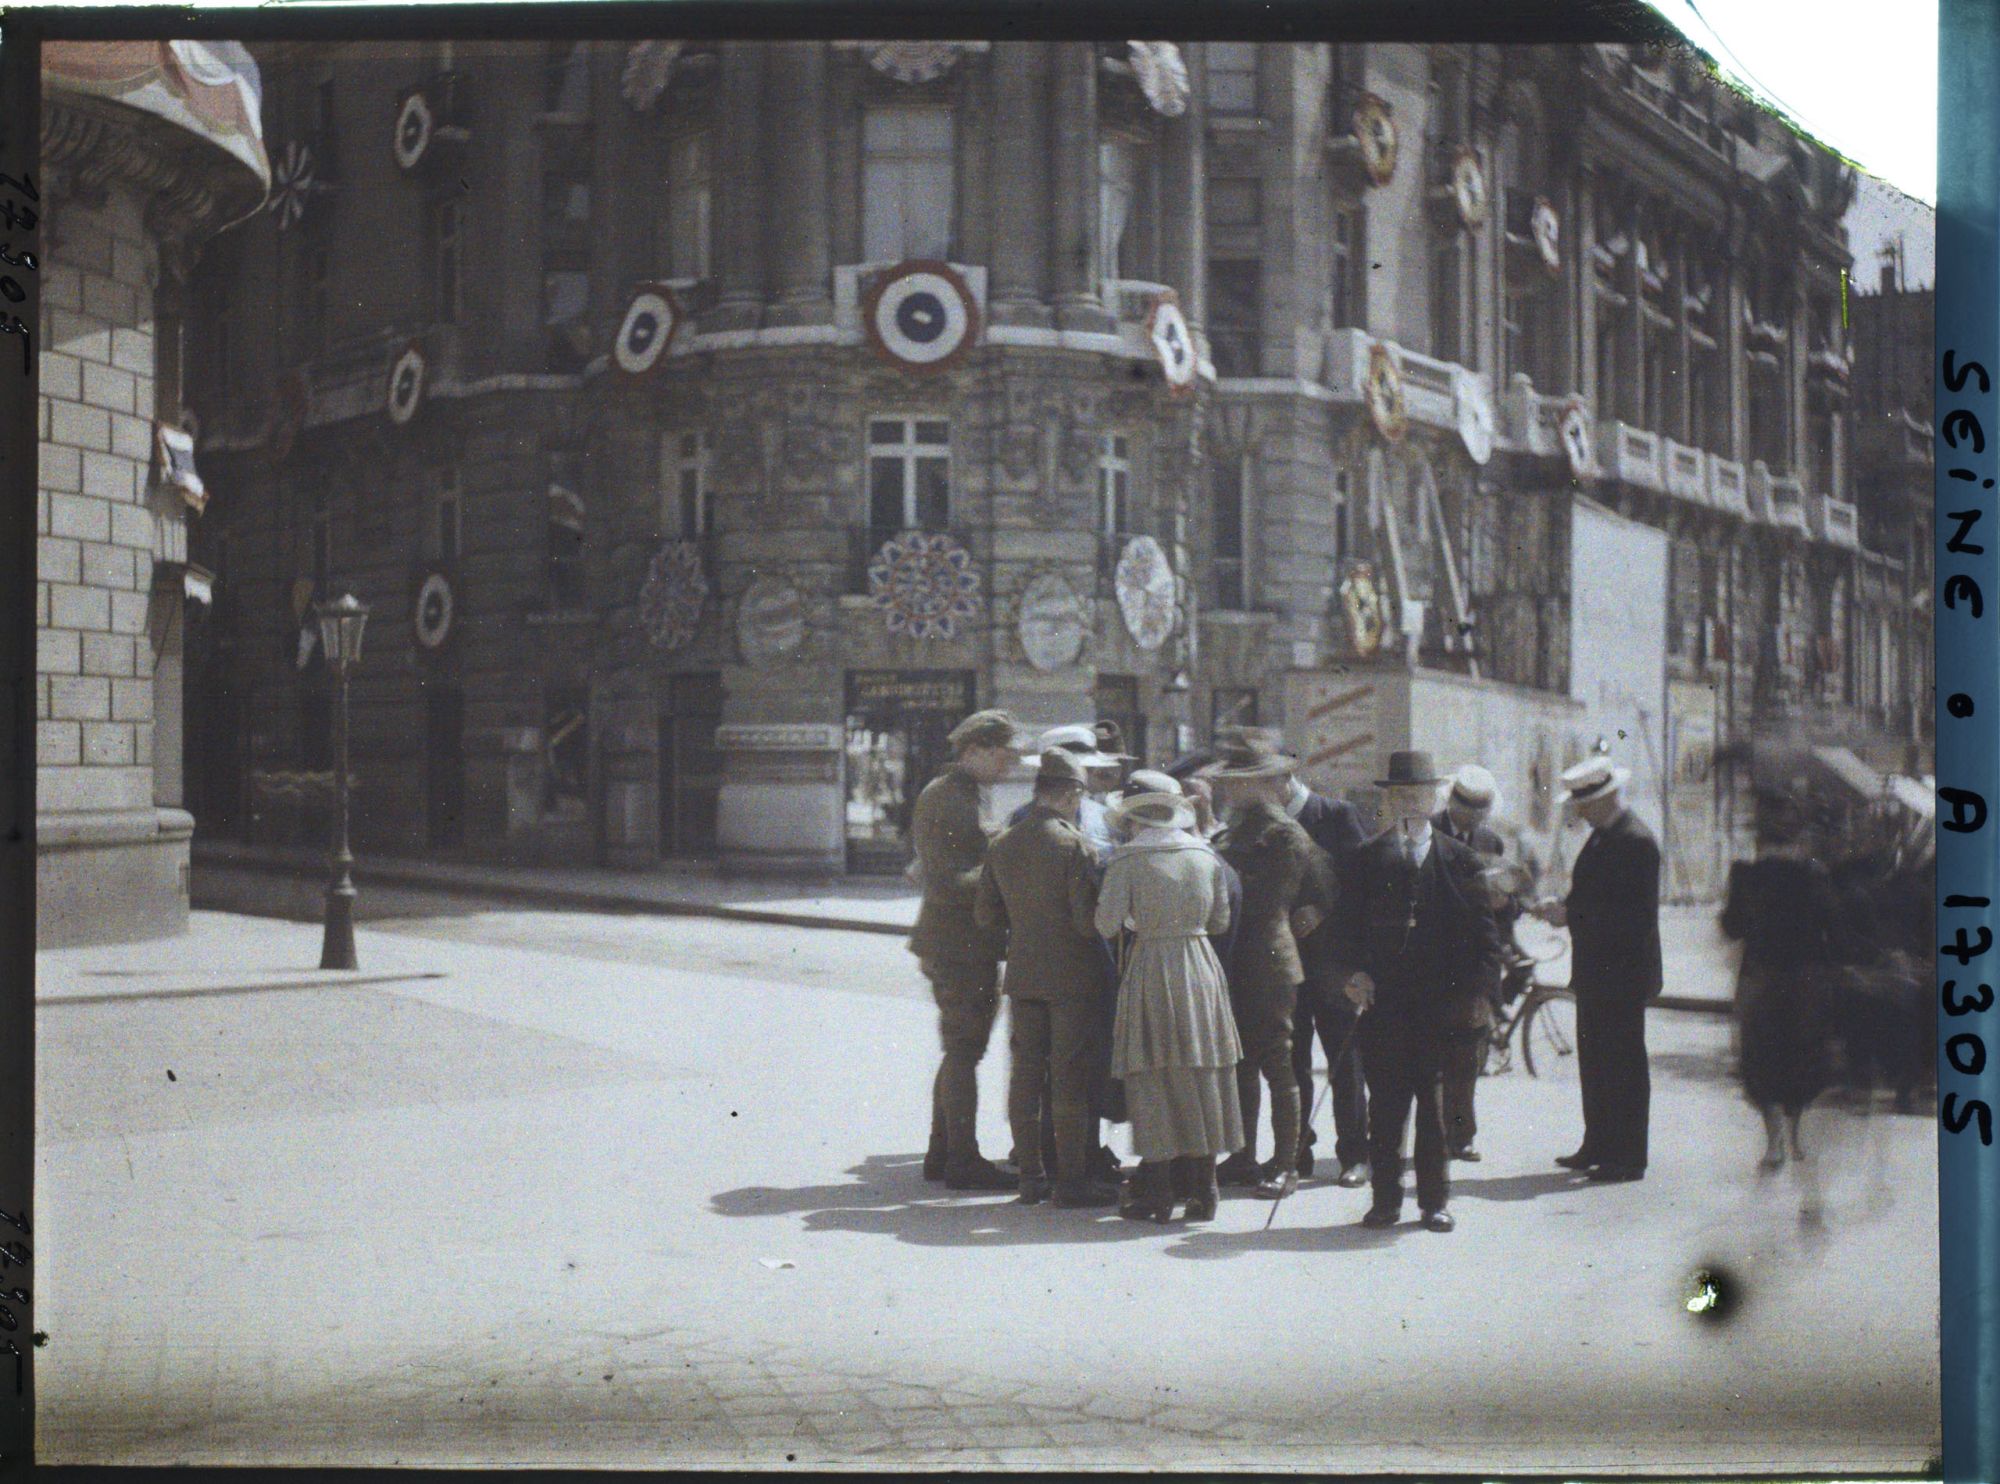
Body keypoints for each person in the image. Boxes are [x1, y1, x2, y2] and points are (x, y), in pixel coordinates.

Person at [1328, 751, 1502, 1232]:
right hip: (1384, 1008)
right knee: (1385, 1108)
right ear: (1388, 800)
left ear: (1434, 799)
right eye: (1399, 795)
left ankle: (1434, 1202)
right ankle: (1385, 1201)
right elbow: (1341, 934)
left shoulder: (1459, 859)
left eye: (1419, 794)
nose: (1409, 803)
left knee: (1434, 1108)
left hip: (1440, 1007)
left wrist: (1478, 995)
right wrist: (1351, 975)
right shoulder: (1365, 859)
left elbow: (1486, 939)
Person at [975, 750, 1121, 1209]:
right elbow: (1085, 923)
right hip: (1072, 980)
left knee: (1025, 1075)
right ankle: (1072, 1182)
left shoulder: (1003, 842)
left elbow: (985, 915)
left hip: (1023, 977)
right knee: (1068, 1076)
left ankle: (1031, 1178)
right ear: (1070, 793)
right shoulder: (1073, 845)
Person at [1094, 779, 1243, 1223]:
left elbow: (1105, 924)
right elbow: (1220, 920)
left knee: (1153, 1072)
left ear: (1135, 817)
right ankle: (1204, 1189)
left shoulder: (1128, 858)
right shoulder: (1205, 855)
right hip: (1199, 967)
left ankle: (1157, 1192)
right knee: (1202, 1073)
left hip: (1153, 964)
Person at [1208, 730, 1332, 1201]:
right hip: (1241, 954)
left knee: (1277, 1063)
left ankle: (1286, 1164)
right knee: (1240, 1063)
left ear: (1260, 783)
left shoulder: (1283, 833)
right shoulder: (1235, 829)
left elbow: (1270, 898)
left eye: (1237, 781)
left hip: (1269, 957)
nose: (1228, 789)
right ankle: (1242, 1157)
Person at [909, 708, 1027, 1191]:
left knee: (960, 1048)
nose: (1010, 766)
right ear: (975, 749)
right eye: (1003, 756)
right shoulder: (951, 798)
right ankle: (961, 1159)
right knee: (965, 1049)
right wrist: (1006, 865)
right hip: (959, 940)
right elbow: (950, 879)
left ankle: (944, 1153)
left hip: (960, 938)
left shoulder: (960, 792)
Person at [1531, 755, 1663, 1184]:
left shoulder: (1636, 841)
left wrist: (1572, 916)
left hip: (1622, 973)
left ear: (1604, 800)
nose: (1579, 811)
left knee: (1622, 1064)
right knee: (1596, 1062)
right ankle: (1598, 1143)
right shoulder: (1605, 837)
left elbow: (1634, 918)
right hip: (1595, 971)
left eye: (1584, 803)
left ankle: (1627, 1156)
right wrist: (1567, 909)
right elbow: (1592, 896)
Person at [1718, 789, 1848, 1183]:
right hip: (1805, 981)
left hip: (1760, 979)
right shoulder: (1814, 874)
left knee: (1761, 1060)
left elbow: (1731, 926)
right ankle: (1797, 1136)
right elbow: (1836, 929)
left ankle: (1774, 1142)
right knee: (1801, 1056)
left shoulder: (1746, 875)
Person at [1278, 745, 1370, 1189]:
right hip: (1289, 965)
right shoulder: (1267, 825)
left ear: (1285, 779)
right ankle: (1297, 1154)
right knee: (1293, 1060)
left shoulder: (1336, 815)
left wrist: (1321, 910)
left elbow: (1361, 885)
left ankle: (1355, 1154)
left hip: (1334, 962)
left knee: (1344, 1061)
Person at [1431, 764, 1507, 1162]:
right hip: (1432, 960)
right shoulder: (1428, 831)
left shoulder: (1492, 842)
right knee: (1429, 1057)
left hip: (1472, 964)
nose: (1475, 817)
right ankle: (1429, 1133)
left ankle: (1461, 1136)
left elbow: (1501, 913)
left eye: (1481, 810)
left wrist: (1507, 902)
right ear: (1453, 803)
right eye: (1468, 809)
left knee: (1468, 1055)